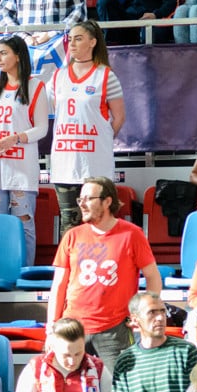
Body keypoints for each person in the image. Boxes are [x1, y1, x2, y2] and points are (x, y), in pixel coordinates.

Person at [48, 176, 160, 375]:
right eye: (80, 200)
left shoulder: (132, 234)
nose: (82, 204)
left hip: (114, 330)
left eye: (88, 199)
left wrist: (144, 315)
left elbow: (152, 276)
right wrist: (51, 328)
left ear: (107, 201)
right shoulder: (72, 235)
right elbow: (58, 286)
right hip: (72, 328)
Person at [0, 35, 50, 266]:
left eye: (4, 53)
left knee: (23, 223)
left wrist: (16, 138)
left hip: (21, 168)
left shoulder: (35, 86)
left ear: (18, 56)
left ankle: (24, 272)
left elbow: (42, 129)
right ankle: (1, 270)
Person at [48, 21, 126, 235]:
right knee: (69, 223)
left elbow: (119, 117)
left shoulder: (105, 75)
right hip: (65, 162)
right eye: (70, 39)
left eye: (78, 38)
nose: (72, 43)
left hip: (95, 163)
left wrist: (101, 140)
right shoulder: (58, 76)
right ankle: (71, 268)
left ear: (92, 42)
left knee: (99, 222)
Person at [112, 293, 197, 392]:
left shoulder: (186, 351)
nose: (160, 317)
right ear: (135, 319)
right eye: (152, 312)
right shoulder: (125, 361)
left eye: (162, 311)